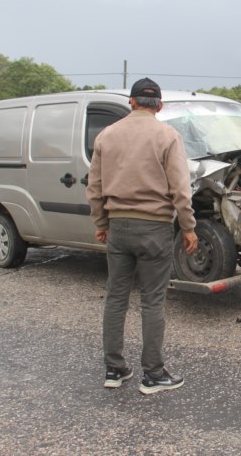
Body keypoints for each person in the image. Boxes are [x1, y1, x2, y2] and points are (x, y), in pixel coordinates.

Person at [86, 78, 198, 395]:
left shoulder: (107, 135)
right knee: (152, 301)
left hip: (118, 228)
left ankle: (114, 369)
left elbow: (93, 187)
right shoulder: (167, 136)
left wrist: (101, 221)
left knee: (116, 298)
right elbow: (180, 188)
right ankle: (153, 374)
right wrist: (188, 227)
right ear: (159, 106)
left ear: (132, 102)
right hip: (155, 228)